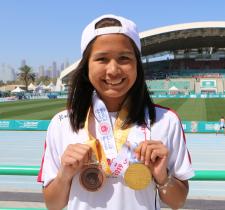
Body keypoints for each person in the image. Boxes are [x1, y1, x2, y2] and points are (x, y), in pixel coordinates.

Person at [37, 14, 194, 210]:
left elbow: (178, 201)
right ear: (86, 66)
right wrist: (64, 175)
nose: (113, 70)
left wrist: (162, 176)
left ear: (137, 64)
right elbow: (52, 205)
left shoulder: (166, 121)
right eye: (102, 59)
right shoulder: (61, 123)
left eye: (124, 58)